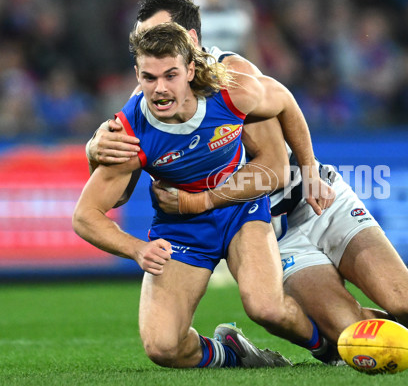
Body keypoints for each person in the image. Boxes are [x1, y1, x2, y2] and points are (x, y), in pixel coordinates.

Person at [87, 0, 408, 362]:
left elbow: (274, 171)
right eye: (144, 47)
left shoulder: (233, 81)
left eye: (164, 41)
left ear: (191, 45)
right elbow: (120, 180)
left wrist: (203, 202)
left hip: (309, 200)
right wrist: (95, 149)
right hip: (277, 237)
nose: (152, 63)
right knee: (348, 334)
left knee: (406, 300)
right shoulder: (150, 105)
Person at [73, 22, 340, 370]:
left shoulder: (229, 91)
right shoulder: (129, 134)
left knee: (268, 309)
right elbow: (85, 215)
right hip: (181, 229)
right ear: (136, 76)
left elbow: (285, 101)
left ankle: (329, 350)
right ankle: (234, 354)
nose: (160, 89)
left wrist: (309, 169)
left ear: (190, 70)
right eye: (149, 78)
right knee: (163, 347)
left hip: (238, 208)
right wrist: (137, 249)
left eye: (170, 75)